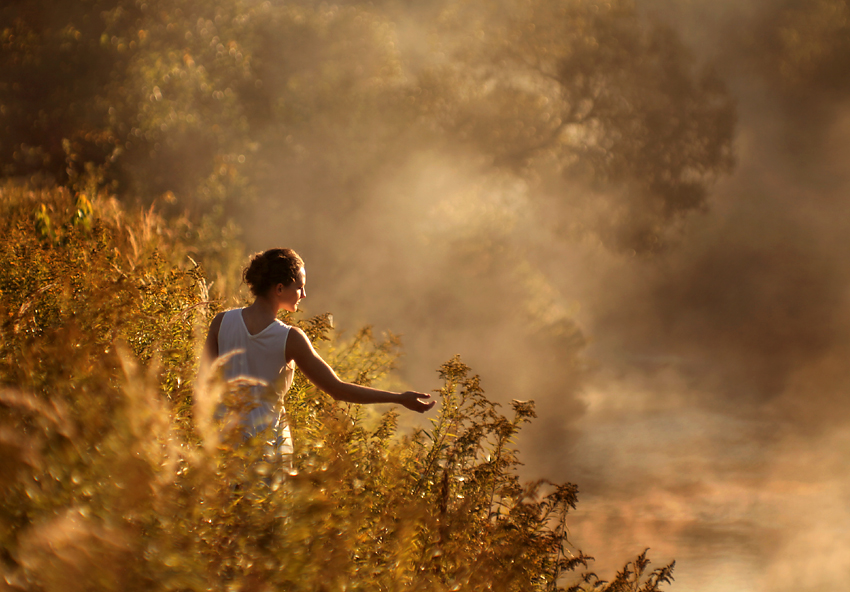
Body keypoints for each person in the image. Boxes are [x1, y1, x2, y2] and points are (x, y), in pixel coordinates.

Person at [200, 248, 434, 456]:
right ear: (279, 288)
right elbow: (337, 389)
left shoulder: (221, 322)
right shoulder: (289, 338)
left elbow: (202, 385)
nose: (303, 295)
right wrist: (398, 398)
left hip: (224, 444)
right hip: (267, 448)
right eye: (300, 287)